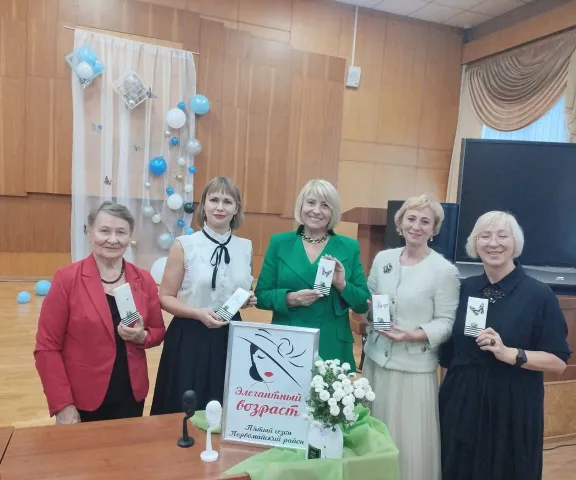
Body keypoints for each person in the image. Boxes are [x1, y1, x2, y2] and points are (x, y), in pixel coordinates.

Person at [439, 211, 572, 480]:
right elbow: (448, 353)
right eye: (485, 236)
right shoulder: (464, 289)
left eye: (502, 236)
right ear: (475, 243)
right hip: (462, 403)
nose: (493, 243)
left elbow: (559, 361)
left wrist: (511, 354)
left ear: (515, 243)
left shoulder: (539, 295)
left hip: (513, 406)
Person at [34, 202, 166, 423]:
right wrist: (62, 405)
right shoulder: (67, 279)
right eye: (104, 230)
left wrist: (142, 337)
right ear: (90, 232)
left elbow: (158, 330)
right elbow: (46, 347)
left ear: (130, 236)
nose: (113, 239)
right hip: (82, 397)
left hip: (130, 394)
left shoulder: (143, 279)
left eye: (121, 232)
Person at [362, 194, 459, 480]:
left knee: (408, 443)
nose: (417, 226)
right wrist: (369, 309)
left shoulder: (444, 271)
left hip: (413, 370)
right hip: (375, 363)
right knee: (373, 435)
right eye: (411, 218)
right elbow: (370, 301)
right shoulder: (383, 259)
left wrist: (414, 335)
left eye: (425, 221)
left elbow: (446, 322)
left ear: (434, 229)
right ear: (400, 222)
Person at [150, 176, 256, 414]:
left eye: (227, 201)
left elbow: (237, 291)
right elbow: (165, 297)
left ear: (236, 208)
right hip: (190, 334)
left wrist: (247, 300)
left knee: (225, 404)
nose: (220, 207)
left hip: (231, 334)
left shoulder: (245, 247)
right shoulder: (184, 245)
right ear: (204, 205)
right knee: (184, 404)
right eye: (214, 200)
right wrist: (196, 313)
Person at [255, 179, 369, 370]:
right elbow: (261, 296)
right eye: (311, 203)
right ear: (301, 206)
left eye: (325, 205)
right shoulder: (279, 243)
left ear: (333, 211)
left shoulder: (349, 247)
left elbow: (362, 304)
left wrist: (342, 285)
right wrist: (290, 298)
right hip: (287, 343)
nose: (316, 210)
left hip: (331, 346)